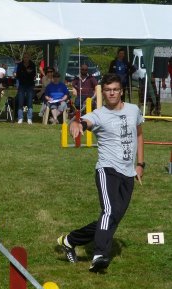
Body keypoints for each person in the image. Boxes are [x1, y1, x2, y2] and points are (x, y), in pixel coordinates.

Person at [57, 73, 144, 273]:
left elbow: (139, 135)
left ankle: (69, 240)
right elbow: (82, 122)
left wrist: (140, 164)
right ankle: (99, 256)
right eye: (108, 90)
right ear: (102, 92)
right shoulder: (99, 114)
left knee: (113, 217)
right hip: (107, 170)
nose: (112, 93)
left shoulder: (134, 110)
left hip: (128, 171)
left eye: (115, 89)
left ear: (121, 91)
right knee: (108, 212)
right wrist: (75, 124)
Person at [16, 53, 36, 124]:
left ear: (29, 57)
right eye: (24, 57)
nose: (25, 58)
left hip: (30, 85)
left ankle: (29, 118)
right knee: (20, 101)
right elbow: (18, 75)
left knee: (30, 102)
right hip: (21, 85)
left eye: (27, 57)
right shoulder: (20, 65)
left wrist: (26, 73)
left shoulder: (32, 64)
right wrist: (26, 73)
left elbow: (34, 75)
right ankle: (20, 118)